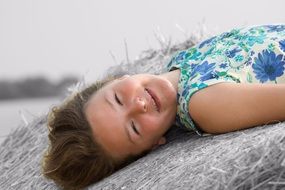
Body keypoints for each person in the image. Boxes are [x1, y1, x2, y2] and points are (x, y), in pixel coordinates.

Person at [42, 24, 285, 189]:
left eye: (117, 99)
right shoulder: (204, 105)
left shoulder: (181, 61)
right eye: (134, 128)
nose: (137, 105)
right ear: (153, 145)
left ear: (116, 80)